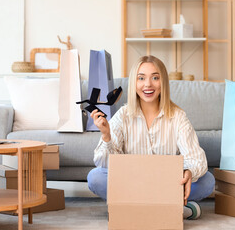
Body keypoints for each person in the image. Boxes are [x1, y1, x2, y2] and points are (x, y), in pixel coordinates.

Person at [87, 55, 215, 220]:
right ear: (134, 83)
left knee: (207, 181)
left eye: (155, 77)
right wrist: (106, 135)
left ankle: (133, 208)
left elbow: (195, 158)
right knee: (95, 177)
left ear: (163, 83)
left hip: (166, 183)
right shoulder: (123, 115)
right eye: (141, 78)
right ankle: (172, 208)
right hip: (132, 182)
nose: (148, 84)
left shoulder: (178, 116)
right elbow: (105, 163)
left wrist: (188, 171)